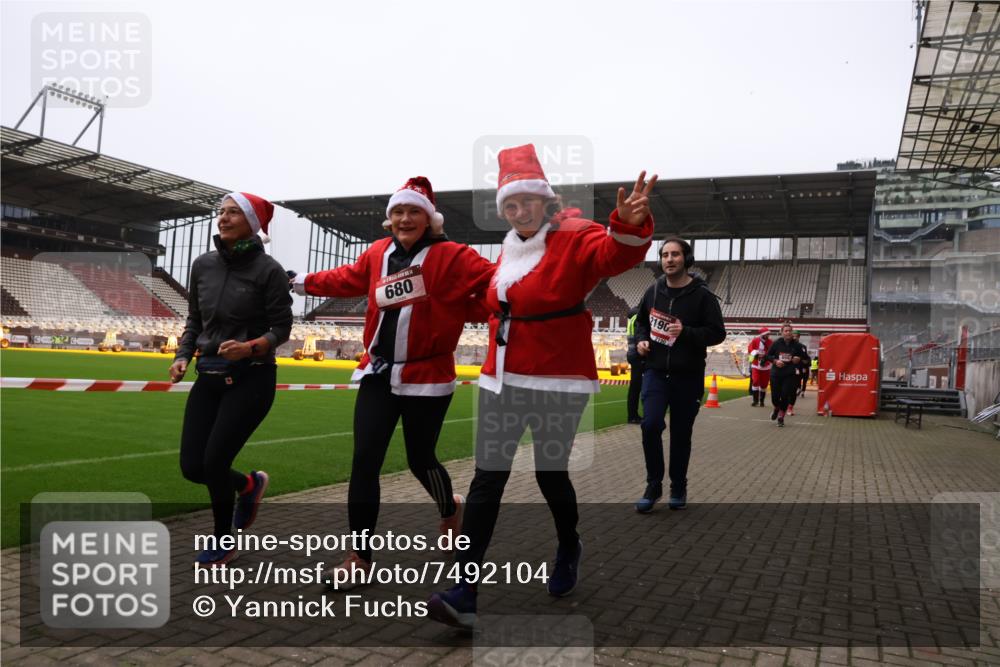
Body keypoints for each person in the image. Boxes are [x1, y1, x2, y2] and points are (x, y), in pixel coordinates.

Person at [427, 144, 656, 630]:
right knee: (488, 478)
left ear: (544, 202)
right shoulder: (508, 248)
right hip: (501, 376)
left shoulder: (574, 234)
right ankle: (465, 590)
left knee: (551, 474)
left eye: (526, 202)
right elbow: (496, 302)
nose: (517, 212)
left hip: (556, 377)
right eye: (509, 205)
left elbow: (612, 254)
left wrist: (629, 223)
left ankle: (569, 542)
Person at [292, 176, 495, 586]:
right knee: (365, 459)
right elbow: (347, 278)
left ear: (429, 219)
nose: (404, 218)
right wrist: (300, 282)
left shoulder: (454, 255)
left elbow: (494, 282)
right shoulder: (377, 253)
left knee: (421, 460)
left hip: (428, 376)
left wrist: (468, 307)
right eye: (398, 212)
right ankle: (359, 557)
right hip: (378, 372)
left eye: (413, 211)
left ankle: (448, 509)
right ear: (390, 219)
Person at [171, 192, 293, 566]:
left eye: (233, 213)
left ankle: (224, 540)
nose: (223, 218)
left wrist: (252, 346)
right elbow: (195, 319)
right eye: (221, 212)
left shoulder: (269, 270)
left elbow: (282, 328)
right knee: (193, 467)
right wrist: (182, 355)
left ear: (252, 223)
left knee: (214, 462)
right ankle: (249, 485)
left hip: (252, 379)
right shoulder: (202, 265)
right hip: (208, 376)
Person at [633, 238, 726, 513]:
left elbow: (717, 333)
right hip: (655, 373)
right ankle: (653, 484)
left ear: (686, 258)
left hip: (688, 375)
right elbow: (640, 322)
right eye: (664, 255)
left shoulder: (703, 296)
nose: (669, 259)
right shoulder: (652, 291)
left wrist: (686, 332)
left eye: (675, 254)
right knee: (650, 425)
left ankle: (678, 485)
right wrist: (640, 341)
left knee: (681, 434)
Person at [765, 322, 809, 427]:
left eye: (790, 331)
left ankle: (781, 416)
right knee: (775, 398)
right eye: (786, 331)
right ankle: (776, 408)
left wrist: (800, 359)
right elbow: (768, 356)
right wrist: (775, 361)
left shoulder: (798, 346)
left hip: (789, 375)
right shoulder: (776, 343)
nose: (788, 333)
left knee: (785, 396)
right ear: (782, 332)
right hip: (776, 374)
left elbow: (807, 359)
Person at [625, 306, 644, 424]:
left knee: (635, 387)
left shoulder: (632, 317)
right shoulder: (639, 317)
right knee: (637, 387)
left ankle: (632, 415)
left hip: (632, 353)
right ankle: (633, 416)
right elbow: (640, 337)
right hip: (638, 355)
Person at [747, 327, 772, 407]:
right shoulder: (755, 340)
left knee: (764, 384)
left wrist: (767, 357)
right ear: (762, 334)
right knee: (755, 381)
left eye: (768, 334)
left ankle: (761, 401)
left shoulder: (770, 342)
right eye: (766, 334)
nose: (768, 335)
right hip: (756, 365)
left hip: (766, 366)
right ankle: (755, 400)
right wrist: (754, 356)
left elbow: (772, 352)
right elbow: (750, 350)